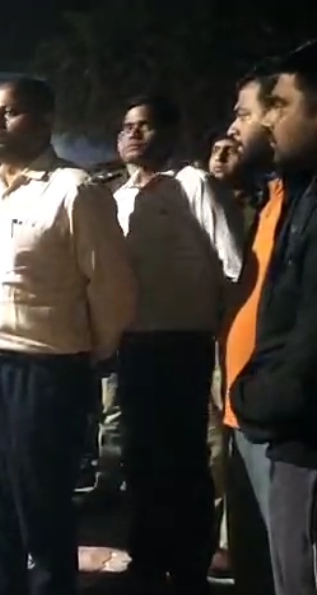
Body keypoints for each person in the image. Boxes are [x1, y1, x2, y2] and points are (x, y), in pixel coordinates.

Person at [0, 78, 136, 595]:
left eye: (9, 113)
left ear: (44, 122)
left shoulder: (73, 191)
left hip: (46, 375)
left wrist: (87, 353)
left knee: (41, 510)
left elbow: (113, 289)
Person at [112, 94, 241, 595]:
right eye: (126, 126)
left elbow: (233, 267)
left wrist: (225, 344)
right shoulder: (119, 198)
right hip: (133, 344)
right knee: (140, 460)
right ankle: (146, 563)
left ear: (169, 134)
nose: (133, 134)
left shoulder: (195, 184)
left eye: (144, 125)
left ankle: (189, 571)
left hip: (185, 344)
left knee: (185, 462)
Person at [231, 40, 317, 595]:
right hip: (270, 424)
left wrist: (257, 398)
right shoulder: (284, 195)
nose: (265, 121)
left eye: (278, 105)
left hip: (294, 431)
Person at [220, 61, 279, 595]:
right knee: (252, 564)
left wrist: (268, 395)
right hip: (243, 410)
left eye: (245, 114)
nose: (233, 128)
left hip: (275, 419)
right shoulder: (270, 198)